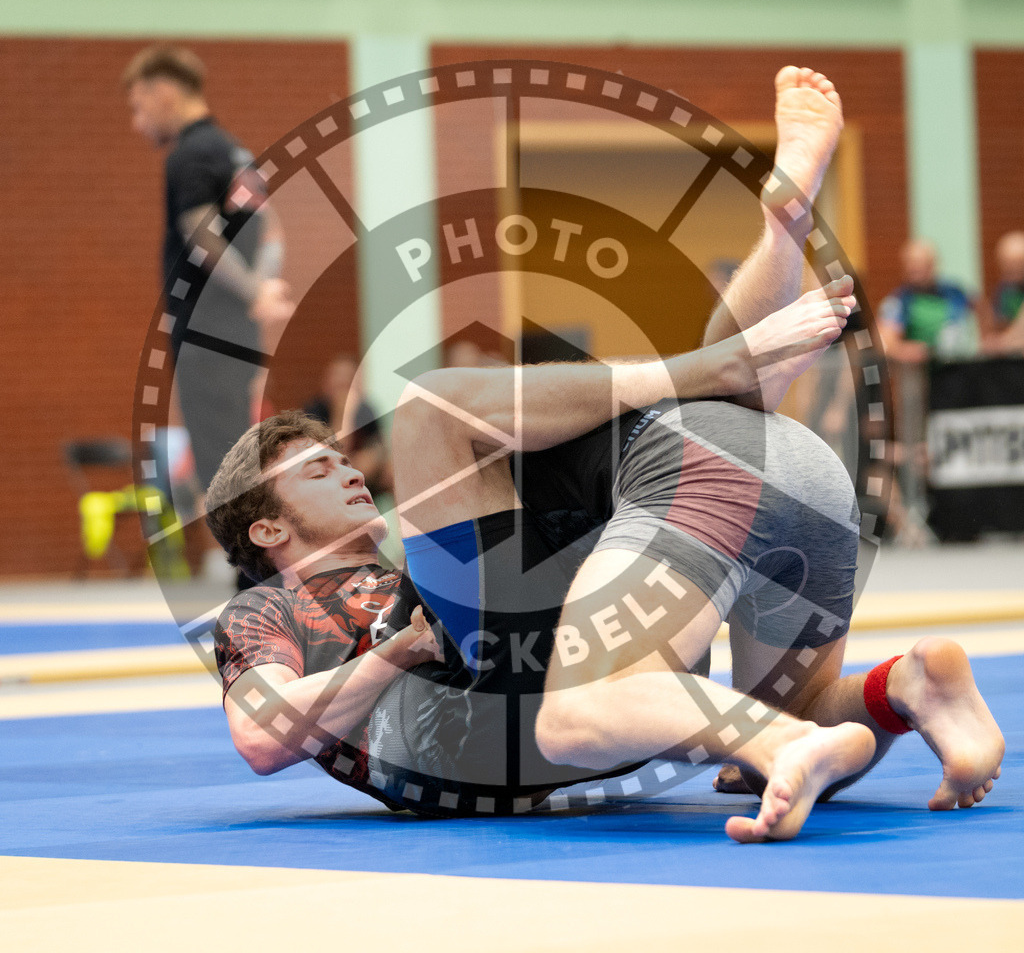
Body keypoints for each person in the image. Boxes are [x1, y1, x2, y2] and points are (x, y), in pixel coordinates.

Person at [208, 68, 1003, 842]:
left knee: (579, 699)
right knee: (781, 690)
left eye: (340, 456)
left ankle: (778, 737)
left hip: (691, 486)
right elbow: (261, 737)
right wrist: (396, 652)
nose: (349, 467)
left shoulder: (449, 554)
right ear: (268, 531)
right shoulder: (266, 611)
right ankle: (905, 686)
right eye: (316, 469)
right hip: (795, 477)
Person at [123, 46, 295, 495]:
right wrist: (265, 284)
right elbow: (272, 230)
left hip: (208, 333)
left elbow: (200, 234)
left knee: (222, 466)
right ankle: (257, 564)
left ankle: (252, 565)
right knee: (242, 453)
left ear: (163, 92)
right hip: (238, 336)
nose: (137, 124)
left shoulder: (191, 154)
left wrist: (256, 292)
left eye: (139, 108)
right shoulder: (234, 151)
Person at [305, 354, 392, 497]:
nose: (342, 387)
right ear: (326, 383)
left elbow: (379, 444)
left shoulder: (365, 409)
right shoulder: (314, 411)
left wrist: (372, 457)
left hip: (361, 471)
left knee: (392, 472)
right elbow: (334, 451)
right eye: (337, 380)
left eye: (348, 381)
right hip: (328, 472)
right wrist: (342, 414)